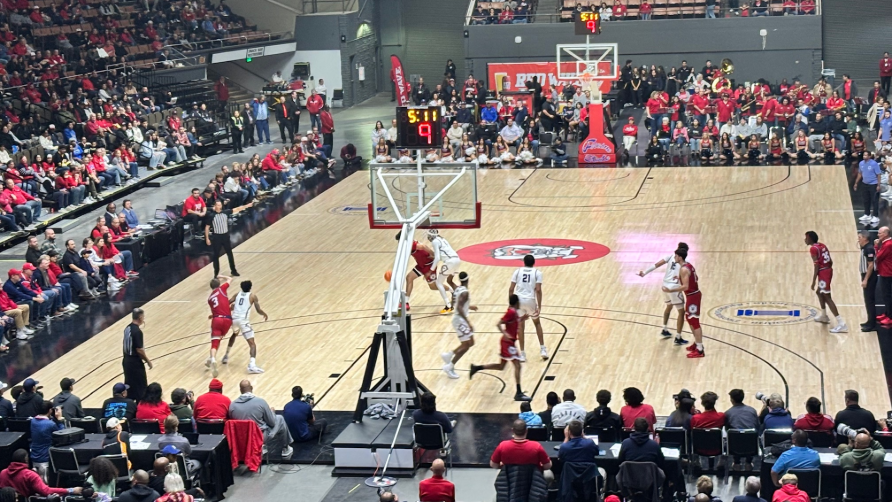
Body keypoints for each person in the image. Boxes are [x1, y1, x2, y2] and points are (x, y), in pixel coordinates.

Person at [470, 294, 531, 401]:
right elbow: (499, 323)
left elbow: (513, 322)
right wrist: (505, 333)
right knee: (518, 366)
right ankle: (518, 393)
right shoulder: (511, 312)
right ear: (517, 303)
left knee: (501, 366)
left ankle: (477, 368)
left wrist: (522, 319)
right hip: (508, 343)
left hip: (508, 343)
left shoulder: (513, 312)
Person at [638, 242, 690, 346]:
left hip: (664, 287)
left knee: (669, 306)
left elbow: (656, 265)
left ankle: (664, 329)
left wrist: (644, 273)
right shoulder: (685, 264)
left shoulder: (670, 257)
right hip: (674, 288)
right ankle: (678, 337)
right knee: (681, 312)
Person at [229, 379, 293, 459]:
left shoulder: (232, 405)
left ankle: (260, 447)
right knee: (280, 419)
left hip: (242, 439)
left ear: (240, 390)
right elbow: (272, 422)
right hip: (259, 437)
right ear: (251, 388)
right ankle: (285, 448)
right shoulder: (260, 402)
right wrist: (272, 412)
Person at [662, 246, 707, 357]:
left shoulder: (683, 269)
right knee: (689, 319)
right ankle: (697, 343)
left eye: (676, 256)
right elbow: (696, 278)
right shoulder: (689, 266)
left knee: (694, 321)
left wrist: (671, 290)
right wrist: (681, 278)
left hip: (693, 296)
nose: (674, 258)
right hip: (693, 295)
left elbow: (685, 287)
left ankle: (700, 349)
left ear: (680, 257)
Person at [221, 280, 267, 374]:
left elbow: (227, 303)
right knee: (252, 344)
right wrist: (264, 314)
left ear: (241, 287)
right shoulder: (252, 296)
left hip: (234, 320)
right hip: (243, 321)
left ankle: (226, 355)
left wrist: (231, 308)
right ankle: (252, 365)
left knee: (234, 335)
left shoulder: (237, 294)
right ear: (250, 287)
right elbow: (258, 310)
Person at [805, 231, 847, 332]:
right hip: (827, 270)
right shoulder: (822, 245)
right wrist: (827, 270)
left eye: (806, 237)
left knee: (827, 297)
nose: (805, 239)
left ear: (810, 238)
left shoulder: (813, 249)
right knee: (819, 292)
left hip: (823, 273)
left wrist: (813, 281)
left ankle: (841, 323)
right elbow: (830, 261)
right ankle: (824, 315)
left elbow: (816, 266)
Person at [510, 254, 547, 361]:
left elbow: (511, 289)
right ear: (534, 262)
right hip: (530, 300)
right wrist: (539, 306)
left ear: (524, 262)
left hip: (518, 301)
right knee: (537, 323)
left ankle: (522, 354)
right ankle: (543, 349)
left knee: (521, 326)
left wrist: (511, 304)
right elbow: (538, 290)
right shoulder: (537, 273)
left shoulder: (517, 271)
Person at [0, 449, 82, 497]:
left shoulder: (2, 473)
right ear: (26, 460)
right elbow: (46, 491)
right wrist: (70, 490)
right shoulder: (30, 475)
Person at [440, 271, 476, 379]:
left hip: (458, 319)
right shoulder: (465, 292)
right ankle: (449, 366)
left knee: (470, 342)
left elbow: (449, 281)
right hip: (460, 320)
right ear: (468, 279)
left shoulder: (457, 289)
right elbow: (459, 307)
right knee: (466, 345)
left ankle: (449, 355)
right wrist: (468, 322)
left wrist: (452, 272)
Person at [206, 275, 234, 378]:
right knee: (220, 339)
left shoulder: (209, 299)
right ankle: (210, 359)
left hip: (217, 319)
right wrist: (221, 276)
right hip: (227, 319)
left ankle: (212, 359)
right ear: (219, 284)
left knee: (215, 342)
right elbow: (230, 279)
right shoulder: (222, 289)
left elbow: (216, 309)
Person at [205, 201, 240, 279]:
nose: (219, 206)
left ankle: (233, 270)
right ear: (215, 206)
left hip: (225, 236)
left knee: (229, 253)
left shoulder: (225, 212)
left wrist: (247, 205)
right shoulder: (211, 215)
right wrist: (207, 238)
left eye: (220, 205)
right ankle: (216, 273)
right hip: (216, 237)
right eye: (217, 205)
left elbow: (236, 209)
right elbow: (207, 227)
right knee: (216, 256)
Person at [725, 388, 759, 470]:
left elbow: (727, 429)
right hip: (751, 446)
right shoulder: (752, 410)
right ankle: (748, 463)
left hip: (734, 446)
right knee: (749, 435)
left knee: (734, 435)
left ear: (732, 400)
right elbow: (757, 426)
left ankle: (736, 463)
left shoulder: (728, 413)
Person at [428, 229, 461, 313]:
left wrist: (431, 270)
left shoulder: (435, 241)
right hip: (457, 259)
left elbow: (437, 258)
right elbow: (443, 254)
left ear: (431, 235)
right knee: (449, 280)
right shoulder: (443, 239)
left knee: (438, 283)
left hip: (450, 262)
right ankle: (458, 295)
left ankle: (448, 306)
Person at [30, 400, 64, 480]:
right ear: (50, 410)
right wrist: (59, 420)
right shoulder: (50, 424)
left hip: (35, 456)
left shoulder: (33, 421)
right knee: (45, 483)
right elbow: (62, 435)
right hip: (45, 458)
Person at [123, 308, 152, 401]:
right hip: (135, 363)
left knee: (129, 388)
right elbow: (139, 350)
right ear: (140, 317)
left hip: (126, 361)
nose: (143, 318)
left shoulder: (127, 328)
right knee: (141, 388)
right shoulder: (137, 331)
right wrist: (148, 361)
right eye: (143, 316)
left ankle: (130, 406)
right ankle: (141, 407)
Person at [854, 152, 882, 227]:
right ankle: (867, 214)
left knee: (874, 200)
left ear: (869, 156)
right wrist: (856, 183)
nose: (864, 156)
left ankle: (875, 216)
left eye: (866, 155)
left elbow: (878, 175)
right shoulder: (861, 163)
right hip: (865, 184)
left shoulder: (874, 164)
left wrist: (878, 185)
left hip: (873, 184)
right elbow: (860, 173)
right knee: (866, 200)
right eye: (864, 155)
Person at [859, 231, 878, 332]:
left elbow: (870, 265)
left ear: (865, 238)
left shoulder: (869, 249)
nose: (858, 239)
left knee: (870, 300)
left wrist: (866, 279)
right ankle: (869, 321)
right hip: (867, 275)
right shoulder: (865, 248)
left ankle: (872, 324)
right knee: (867, 300)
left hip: (870, 276)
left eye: (860, 237)